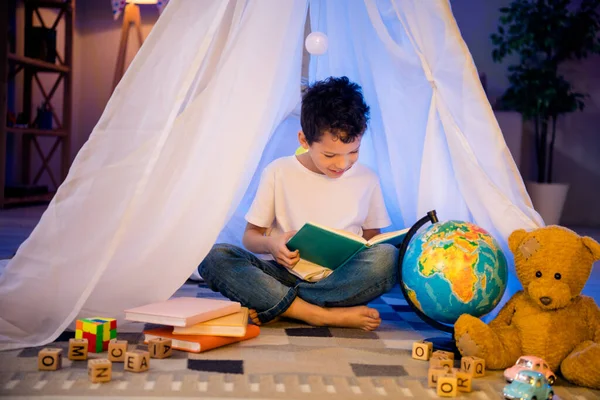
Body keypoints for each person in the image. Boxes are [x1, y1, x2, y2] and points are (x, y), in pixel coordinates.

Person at [199, 76, 398, 331]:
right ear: (304, 140)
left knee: (388, 258)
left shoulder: (367, 179)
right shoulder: (278, 171)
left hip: (338, 280)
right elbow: (251, 237)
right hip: (284, 275)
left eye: (354, 152)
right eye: (330, 155)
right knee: (214, 256)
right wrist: (271, 244)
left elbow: (373, 241)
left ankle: (278, 305)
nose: (343, 164)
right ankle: (319, 315)